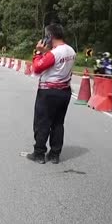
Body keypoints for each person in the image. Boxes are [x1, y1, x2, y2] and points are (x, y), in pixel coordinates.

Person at [26, 24, 76, 164]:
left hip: (48, 92)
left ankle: (39, 153)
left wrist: (37, 53)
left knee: (42, 123)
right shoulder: (71, 50)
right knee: (58, 123)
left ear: (50, 36)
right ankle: (55, 154)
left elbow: (37, 67)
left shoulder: (54, 53)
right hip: (64, 91)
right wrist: (46, 51)